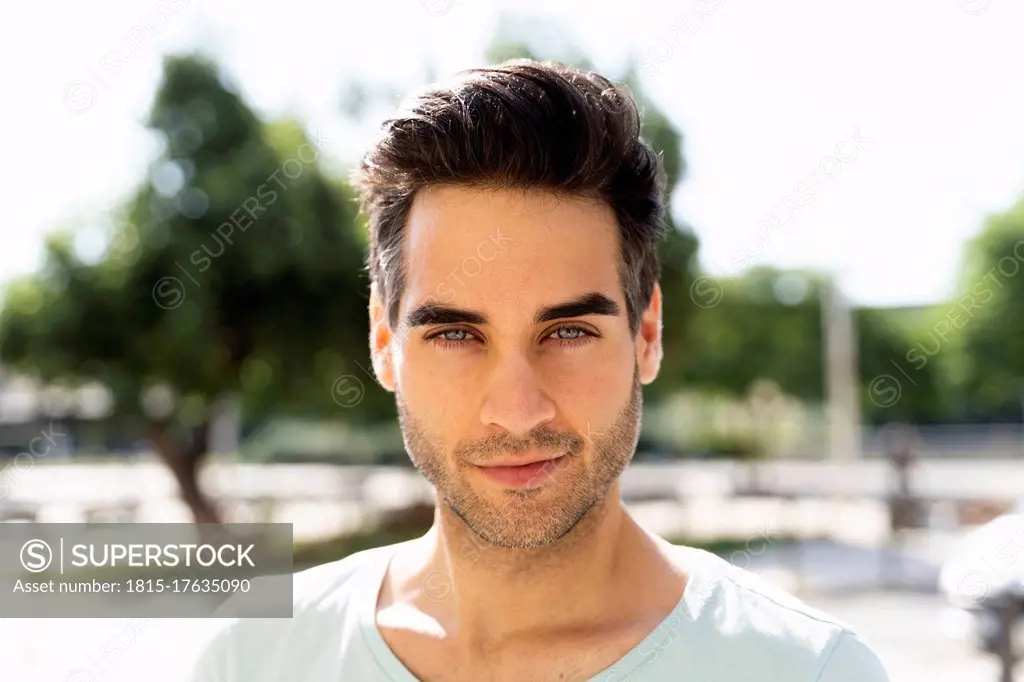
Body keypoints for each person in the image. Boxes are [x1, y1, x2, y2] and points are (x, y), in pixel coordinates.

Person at [189, 59, 890, 681]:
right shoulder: (253, 658)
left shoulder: (809, 669)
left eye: (570, 331)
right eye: (457, 333)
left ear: (647, 333)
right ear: (383, 340)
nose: (518, 410)